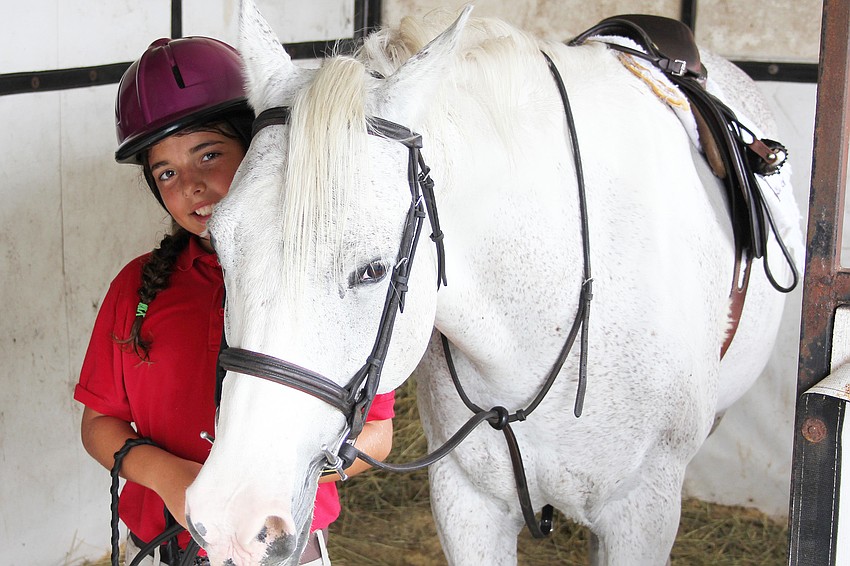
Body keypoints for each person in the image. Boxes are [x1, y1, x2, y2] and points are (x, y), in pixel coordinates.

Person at [74, 36, 394, 566]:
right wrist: (170, 477)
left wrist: (271, 480)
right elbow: (97, 425)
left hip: (281, 550)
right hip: (156, 551)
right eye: (168, 173)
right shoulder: (136, 288)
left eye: (209, 154)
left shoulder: (315, 281)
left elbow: (378, 435)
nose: (193, 186)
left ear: (256, 153)